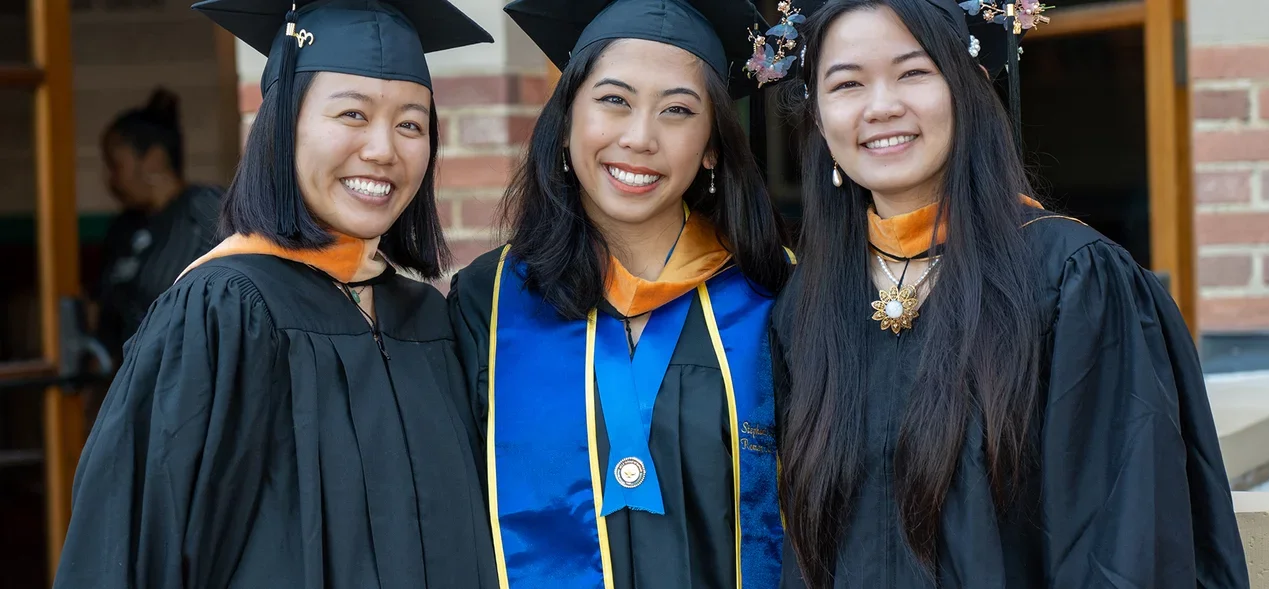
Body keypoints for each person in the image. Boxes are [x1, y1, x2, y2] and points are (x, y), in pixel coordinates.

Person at [770, 1, 1251, 587]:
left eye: (914, 72)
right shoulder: (808, 308)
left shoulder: (1071, 282)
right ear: (819, 118)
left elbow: (1123, 544)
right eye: (847, 83)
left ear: (970, 87)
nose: (881, 106)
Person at [54, 1, 499, 587]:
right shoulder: (220, 312)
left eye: (410, 124)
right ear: (282, 126)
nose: (384, 149)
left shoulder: (427, 320)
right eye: (352, 115)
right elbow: (136, 552)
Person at [448, 0, 795, 586]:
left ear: (712, 145)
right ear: (566, 122)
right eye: (614, 100)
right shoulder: (489, 300)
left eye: (678, 111)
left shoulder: (773, 295)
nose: (639, 138)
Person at [95, 88, 221, 362]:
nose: (110, 179)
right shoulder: (122, 228)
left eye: (115, 165)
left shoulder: (206, 211)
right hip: (129, 384)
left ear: (153, 159)